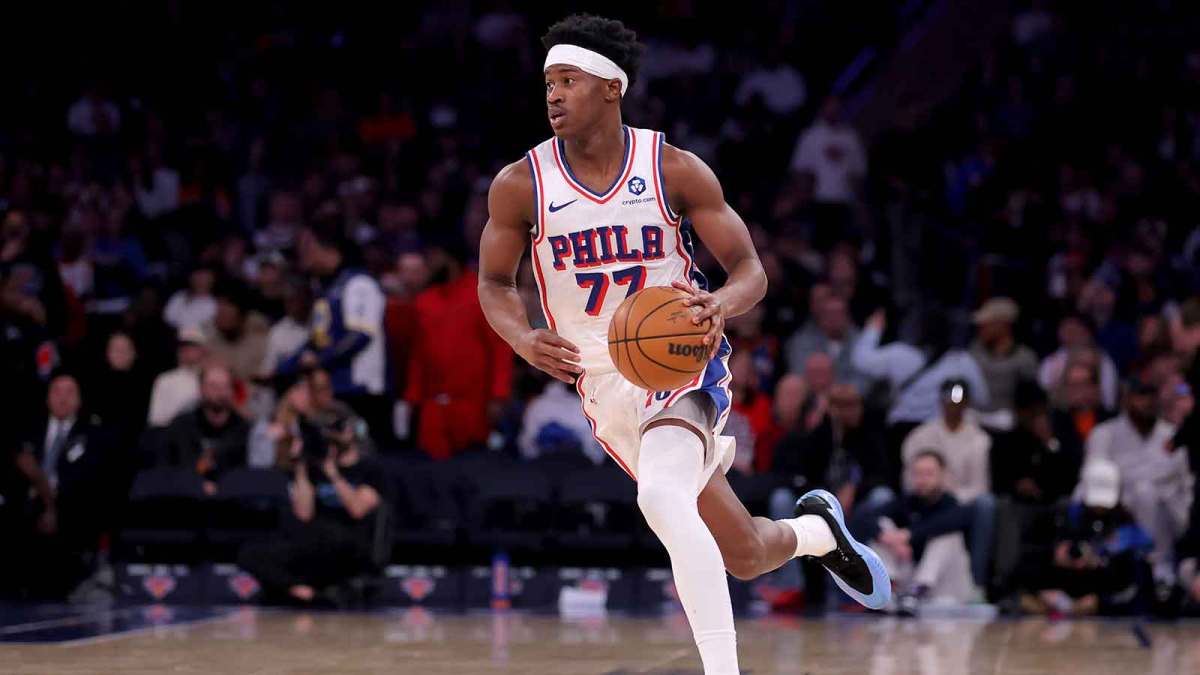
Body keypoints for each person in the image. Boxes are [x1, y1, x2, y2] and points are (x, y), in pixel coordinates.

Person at [476, 15, 889, 673]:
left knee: (661, 498)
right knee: (746, 552)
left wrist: (718, 306)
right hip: (603, 380)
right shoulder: (521, 184)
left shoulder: (672, 168)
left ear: (612, 87)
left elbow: (751, 271)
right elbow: (494, 282)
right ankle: (818, 533)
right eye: (549, 82)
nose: (552, 94)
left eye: (569, 80)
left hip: (680, 356)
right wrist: (522, 337)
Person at [237, 402, 386, 605]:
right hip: (316, 544)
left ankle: (298, 589)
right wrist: (300, 467)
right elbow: (304, 514)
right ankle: (302, 591)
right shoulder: (315, 469)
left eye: (336, 428)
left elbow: (358, 509)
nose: (332, 436)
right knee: (250, 552)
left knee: (328, 534)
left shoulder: (370, 468)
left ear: (350, 430)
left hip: (350, 542)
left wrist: (333, 474)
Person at [275, 223, 391, 448]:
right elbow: (317, 340)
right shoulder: (326, 290)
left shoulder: (359, 283)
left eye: (306, 247)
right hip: (332, 392)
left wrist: (320, 361)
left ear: (326, 248)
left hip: (361, 393)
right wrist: (283, 368)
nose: (301, 254)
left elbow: (360, 335)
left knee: (363, 459)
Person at [3, 373, 114, 599]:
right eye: (57, 392)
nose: (62, 398)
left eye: (69, 392)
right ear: (47, 398)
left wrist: (51, 501)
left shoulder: (93, 435)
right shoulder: (29, 431)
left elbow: (92, 481)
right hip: (26, 513)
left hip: (71, 514)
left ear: (80, 400)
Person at [1084, 377, 1191, 585]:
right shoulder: (1105, 434)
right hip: (1118, 513)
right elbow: (1093, 479)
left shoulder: (1172, 435)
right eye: (1141, 396)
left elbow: (1186, 485)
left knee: (1155, 495)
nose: (1148, 403)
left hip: (1170, 516)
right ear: (1126, 400)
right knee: (1144, 492)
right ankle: (1150, 567)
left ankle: (1161, 569)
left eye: (1151, 397)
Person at [1017, 459, 1153, 616]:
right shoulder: (1062, 518)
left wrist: (1100, 564)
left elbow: (1134, 583)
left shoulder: (1126, 525)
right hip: (1061, 595)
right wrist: (1055, 555)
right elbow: (1028, 561)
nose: (1099, 509)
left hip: (1103, 601)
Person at [900, 378, 995, 588]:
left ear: (967, 403)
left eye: (959, 401)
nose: (953, 406)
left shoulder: (979, 439)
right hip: (924, 500)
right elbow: (909, 480)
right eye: (949, 400)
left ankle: (978, 585)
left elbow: (980, 486)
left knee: (985, 504)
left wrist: (949, 498)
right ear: (940, 401)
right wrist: (929, 491)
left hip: (959, 505)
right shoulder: (920, 436)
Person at [857, 450, 978, 614]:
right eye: (917, 474)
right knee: (883, 526)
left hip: (945, 588)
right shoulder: (907, 502)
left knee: (947, 536)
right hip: (907, 578)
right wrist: (889, 539)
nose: (922, 480)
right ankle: (888, 589)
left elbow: (949, 521)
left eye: (929, 474)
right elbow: (866, 518)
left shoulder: (953, 504)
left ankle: (918, 590)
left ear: (942, 475)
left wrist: (908, 535)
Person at [163, 363, 250, 494]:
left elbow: (247, 474)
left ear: (232, 390)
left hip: (231, 500)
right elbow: (172, 469)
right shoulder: (182, 425)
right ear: (201, 389)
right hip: (186, 498)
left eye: (225, 386)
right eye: (213, 386)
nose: (220, 391)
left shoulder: (243, 429)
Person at [968, 297, 1038, 429]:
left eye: (986, 324)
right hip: (972, 415)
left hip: (1004, 419)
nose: (981, 329)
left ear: (1003, 325)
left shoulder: (1024, 358)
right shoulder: (974, 352)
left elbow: (1031, 398)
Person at [146, 326, 209, 427]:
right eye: (182, 346)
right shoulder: (165, 380)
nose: (185, 350)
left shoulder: (212, 378)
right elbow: (155, 420)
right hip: (173, 434)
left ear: (202, 349)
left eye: (191, 345)